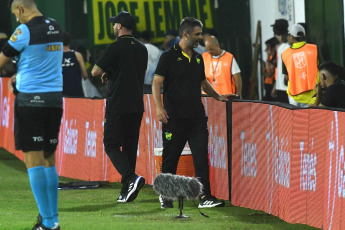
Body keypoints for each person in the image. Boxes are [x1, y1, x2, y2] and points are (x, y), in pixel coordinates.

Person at [152, 17, 238, 209]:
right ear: (186, 34)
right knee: (171, 157)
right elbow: (157, 82)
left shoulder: (199, 58)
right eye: (198, 34)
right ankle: (165, 194)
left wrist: (219, 97)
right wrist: (159, 108)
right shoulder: (168, 57)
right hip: (173, 117)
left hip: (197, 118)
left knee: (201, 157)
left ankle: (204, 197)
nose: (201, 37)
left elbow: (203, 83)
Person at [0, 0, 62, 229]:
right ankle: (53, 218)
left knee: (32, 161)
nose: (17, 19)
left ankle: (47, 223)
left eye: (16, 14)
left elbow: (2, 59)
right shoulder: (55, 26)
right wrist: (21, 74)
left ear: (20, 9)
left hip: (31, 103)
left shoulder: (24, 30)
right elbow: (42, 60)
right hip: (55, 102)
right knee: (49, 160)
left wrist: (18, 77)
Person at [91, 11, 148, 203]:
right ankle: (127, 189)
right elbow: (132, 71)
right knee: (130, 147)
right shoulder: (142, 48)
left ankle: (131, 178)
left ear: (120, 26)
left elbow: (95, 71)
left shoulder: (115, 48)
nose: (113, 27)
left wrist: (107, 70)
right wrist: (113, 71)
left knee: (111, 144)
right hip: (136, 104)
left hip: (118, 104)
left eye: (115, 24)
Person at [282, 24, 319, 107]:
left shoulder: (285, 54)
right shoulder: (314, 49)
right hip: (312, 96)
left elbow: (286, 77)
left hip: (294, 97)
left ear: (291, 37)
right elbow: (322, 68)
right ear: (304, 35)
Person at [62, 31, 88, 97]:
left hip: (62, 95)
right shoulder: (78, 55)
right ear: (70, 42)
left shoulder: (56, 57)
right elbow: (85, 75)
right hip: (77, 94)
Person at [271, 19, 290, 103]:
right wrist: (276, 85)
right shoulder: (281, 47)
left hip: (287, 88)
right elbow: (279, 70)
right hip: (280, 87)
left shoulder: (288, 47)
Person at [262, 37, 279, 101]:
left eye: (268, 47)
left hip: (274, 83)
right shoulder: (270, 57)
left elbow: (269, 70)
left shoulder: (276, 57)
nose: (266, 49)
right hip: (268, 83)